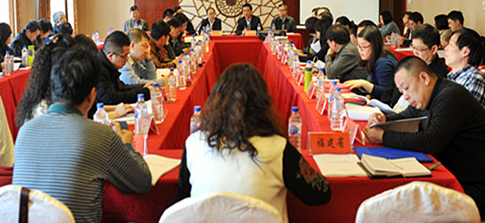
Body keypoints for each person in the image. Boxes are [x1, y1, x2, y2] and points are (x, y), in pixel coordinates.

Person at [13, 43, 152, 223]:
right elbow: (142, 183)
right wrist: (126, 144)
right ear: (92, 95)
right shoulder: (101, 135)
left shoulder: (25, 131)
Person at [178, 63, 331, 217]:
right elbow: (320, 194)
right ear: (263, 104)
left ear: (215, 101)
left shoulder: (194, 143)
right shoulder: (278, 148)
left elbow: (183, 197)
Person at [364, 57, 485, 218]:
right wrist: (384, 119)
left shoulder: (450, 96)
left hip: (470, 187)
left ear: (424, 78)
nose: (405, 96)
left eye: (406, 88)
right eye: (401, 92)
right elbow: (406, 116)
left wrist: (383, 137)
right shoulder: (429, 95)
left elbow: (431, 142)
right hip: (449, 174)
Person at [381, 23, 449, 109]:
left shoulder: (440, 75)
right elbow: (389, 91)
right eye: (413, 48)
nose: (415, 52)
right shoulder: (407, 65)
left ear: (434, 49)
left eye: (419, 49)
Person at [94, 31, 151, 114]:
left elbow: (120, 87)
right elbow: (112, 98)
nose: (127, 59)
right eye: (124, 56)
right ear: (111, 56)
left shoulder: (109, 65)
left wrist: (143, 87)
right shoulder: (98, 69)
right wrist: (145, 92)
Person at [344, 26, 398, 100]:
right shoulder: (373, 58)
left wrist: (364, 84)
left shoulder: (383, 63)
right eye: (359, 46)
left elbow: (387, 94)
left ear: (374, 46)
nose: (360, 51)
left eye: (364, 47)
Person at [444, 29, 485, 106]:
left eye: (451, 44)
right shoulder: (451, 77)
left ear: (465, 51)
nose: (446, 48)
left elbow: (464, 111)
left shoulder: (474, 78)